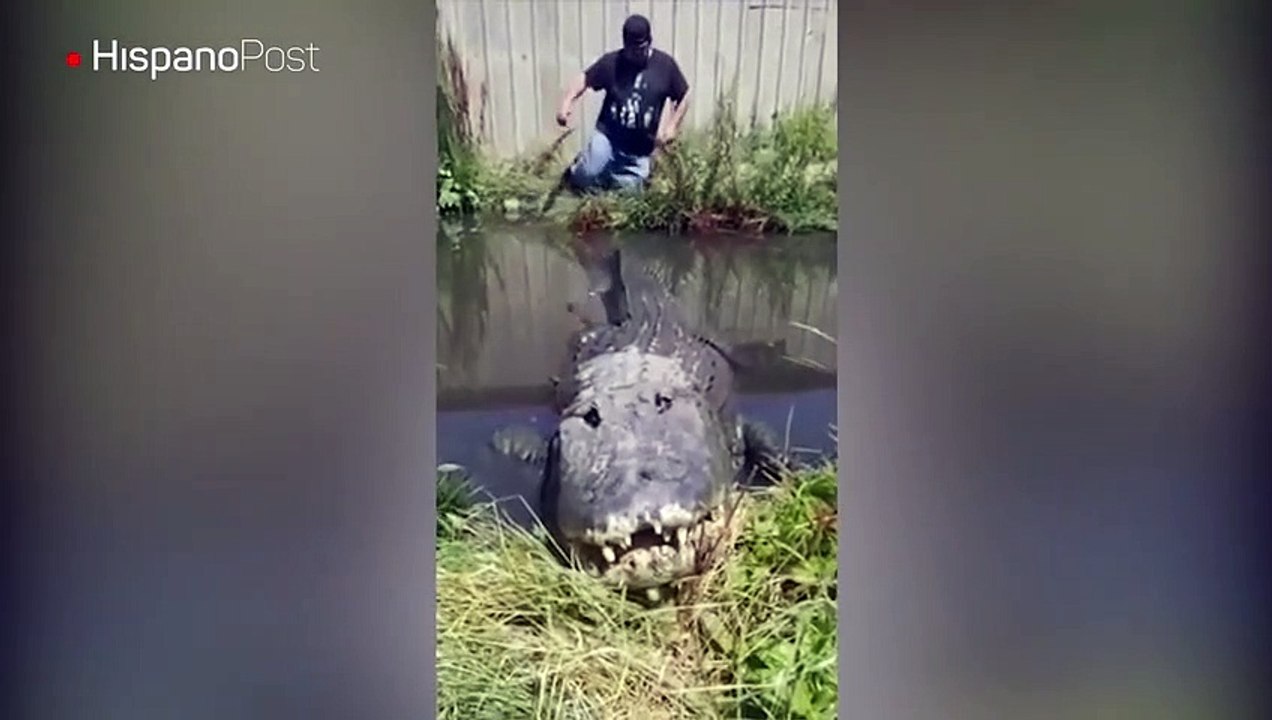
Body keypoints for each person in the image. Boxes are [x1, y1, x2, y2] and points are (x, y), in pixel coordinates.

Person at [555, 14, 690, 194]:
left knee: (629, 193)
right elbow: (585, 79)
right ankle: (578, 171)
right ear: (625, 45)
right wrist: (566, 103)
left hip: (640, 150)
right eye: (631, 49)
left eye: (641, 48)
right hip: (608, 138)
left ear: (649, 42)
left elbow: (683, 95)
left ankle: (610, 179)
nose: (636, 54)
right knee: (585, 176)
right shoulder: (612, 62)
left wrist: (672, 126)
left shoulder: (665, 66)